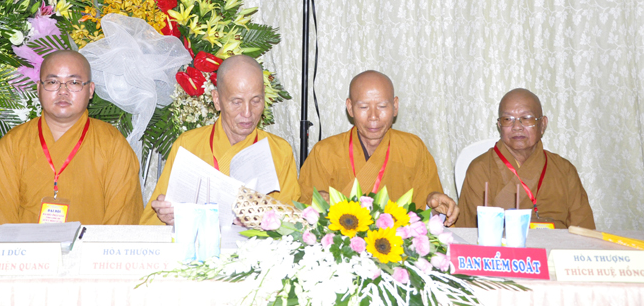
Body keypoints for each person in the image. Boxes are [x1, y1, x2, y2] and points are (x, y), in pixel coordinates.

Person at [0, 51, 143, 241]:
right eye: (53, 82)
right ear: (39, 88)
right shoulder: (12, 145)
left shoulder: (112, 144)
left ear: (90, 90)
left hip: (90, 257)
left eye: (74, 82)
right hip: (26, 257)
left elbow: (122, 225)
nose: (63, 91)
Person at [140, 55, 300, 225]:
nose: (247, 113)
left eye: (256, 101)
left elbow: (293, 226)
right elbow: (151, 223)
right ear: (217, 100)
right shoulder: (188, 145)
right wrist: (168, 219)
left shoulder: (279, 151)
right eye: (236, 102)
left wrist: (258, 220)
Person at [298, 71, 459, 226]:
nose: (373, 116)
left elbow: (428, 213)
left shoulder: (413, 149)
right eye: (363, 107)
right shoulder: (325, 152)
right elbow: (302, 210)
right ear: (350, 107)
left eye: (382, 106)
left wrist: (436, 209)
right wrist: (318, 203)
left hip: (397, 242)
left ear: (395, 106)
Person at [457, 89, 595, 229]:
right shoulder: (480, 169)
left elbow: (584, 231)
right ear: (499, 126)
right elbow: (469, 232)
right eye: (507, 119)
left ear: (543, 124)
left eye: (527, 118)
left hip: (558, 243)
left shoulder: (564, 170)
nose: (517, 127)